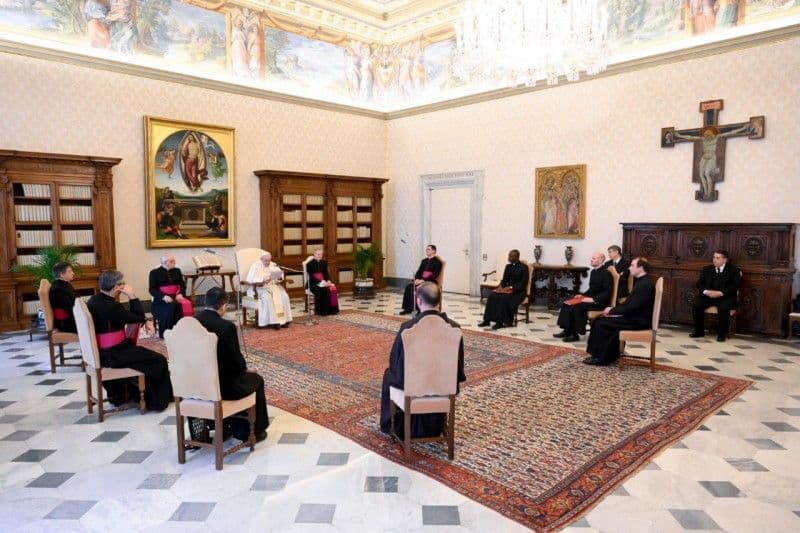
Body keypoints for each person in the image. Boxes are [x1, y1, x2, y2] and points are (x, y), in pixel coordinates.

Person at [379, 282, 466, 438]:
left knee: (388, 375)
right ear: (439, 301)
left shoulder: (408, 328)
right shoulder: (454, 328)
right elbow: (458, 367)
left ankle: (394, 426)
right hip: (444, 386)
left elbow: (395, 361)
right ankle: (436, 424)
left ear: (418, 301)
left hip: (413, 385)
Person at [87, 270, 172, 410]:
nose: (125, 286)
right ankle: (157, 401)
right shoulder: (111, 306)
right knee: (158, 359)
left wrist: (145, 320)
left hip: (103, 351)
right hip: (113, 354)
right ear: (116, 287)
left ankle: (127, 395)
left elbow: (133, 318)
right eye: (123, 284)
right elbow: (137, 317)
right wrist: (132, 296)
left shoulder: (94, 300)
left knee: (144, 353)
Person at [197, 287, 269, 442]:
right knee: (256, 380)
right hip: (222, 387)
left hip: (196, 386)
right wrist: (246, 369)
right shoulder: (226, 327)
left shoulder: (191, 323)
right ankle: (252, 432)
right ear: (224, 306)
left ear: (205, 302)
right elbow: (235, 363)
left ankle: (221, 426)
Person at [583, 257, 656, 366]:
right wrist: (613, 311)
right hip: (635, 317)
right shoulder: (642, 282)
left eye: (632, 265)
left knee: (600, 321)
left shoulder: (644, 285)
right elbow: (630, 305)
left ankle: (599, 358)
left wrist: (612, 311)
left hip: (638, 321)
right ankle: (608, 355)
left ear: (641, 268)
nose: (629, 268)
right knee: (602, 320)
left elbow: (632, 307)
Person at [674, 123, 752, 200]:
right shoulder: (703, 139)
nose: (707, 135)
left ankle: (709, 193)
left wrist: (743, 128)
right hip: (704, 157)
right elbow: (690, 137)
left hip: (711, 157)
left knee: (707, 174)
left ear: (712, 133)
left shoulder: (716, 137)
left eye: (709, 134)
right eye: (705, 134)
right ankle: (705, 193)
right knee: (701, 175)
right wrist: (679, 136)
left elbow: (730, 133)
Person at [553, 252, 612, 342]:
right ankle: (567, 330)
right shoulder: (593, 272)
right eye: (591, 258)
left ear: (601, 260)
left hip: (600, 302)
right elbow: (592, 289)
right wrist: (583, 295)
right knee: (567, 303)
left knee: (577, 307)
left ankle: (575, 334)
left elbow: (607, 292)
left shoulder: (606, 273)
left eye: (594, 258)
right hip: (590, 299)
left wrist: (593, 299)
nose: (591, 260)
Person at [690, 250, 741, 342]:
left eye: (717, 258)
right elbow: (699, 283)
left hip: (725, 297)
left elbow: (734, 286)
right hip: (708, 296)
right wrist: (706, 292)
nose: (714, 260)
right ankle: (699, 331)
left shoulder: (734, 270)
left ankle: (721, 334)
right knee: (697, 303)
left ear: (725, 260)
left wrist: (720, 293)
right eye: (714, 257)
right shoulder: (707, 269)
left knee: (723, 307)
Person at [477, 249, 528, 330]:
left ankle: (500, 322)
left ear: (517, 257)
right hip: (507, 290)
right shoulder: (508, 267)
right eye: (509, 255)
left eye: (511, 256)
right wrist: (500, 287)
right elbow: (504, 280)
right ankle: (487, 320)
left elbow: (523, 283)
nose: (509, 257)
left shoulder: (524, 267)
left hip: (518, 292)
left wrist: (511, 288)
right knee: (492, 296)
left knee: (503, 298)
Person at [148, 255, 192, 338]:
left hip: (176, 296)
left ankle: (181, 331)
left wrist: (180, 294)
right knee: (170, 306)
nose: (175, 262)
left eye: (174, 260)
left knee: (185, 304)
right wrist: (163, 296)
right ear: (165, 263)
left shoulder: (177, 271)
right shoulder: (154, 273)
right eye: (172, 261)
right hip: (161, 300)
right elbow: (152, 289)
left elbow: (182, 285)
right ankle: (167, 333)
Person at [246, 251, 292, 328]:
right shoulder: (255, 266)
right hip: (260, 288)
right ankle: (274, 322)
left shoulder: (273, 264)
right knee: (268, 298)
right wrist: (262, 280)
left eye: (269, 260)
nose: (268, 262)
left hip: (273, 286)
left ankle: (284, 320)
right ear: (261, 259)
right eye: (266, 260)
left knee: (284, 296)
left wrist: (279, 277)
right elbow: (250, 279)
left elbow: (279, 276)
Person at [400, 244, 442, 315]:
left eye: (428, 249)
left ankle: (420, 310)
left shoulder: (438, 262)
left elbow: (435, 275)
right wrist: (416, 279)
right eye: (426, 249)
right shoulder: (424, 261)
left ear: (433, 251)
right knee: (409, 287)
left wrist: (423, 281)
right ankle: (408, 308)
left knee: (419, 289)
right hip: (420, 280)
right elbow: (419, 271)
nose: (426, 251)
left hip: (430, 281)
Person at [306, 249, 339, 315]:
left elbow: (326, 273)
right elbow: (312, 276)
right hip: (313, 283)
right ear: (314, 254)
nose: (319, 256)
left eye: (321, 254)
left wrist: (328, 281)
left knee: (333, 289)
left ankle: (332, 310)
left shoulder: (324, 262)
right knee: (324, 290)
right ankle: (322, 311)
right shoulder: (309, 264)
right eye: (318, 254)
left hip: (324, 281)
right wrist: (321, 282)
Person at [49, 261, 78, 333]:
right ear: (62, 274)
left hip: (72, 319)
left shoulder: (65, 284)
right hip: (66, 324)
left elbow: (76, 299)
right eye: (70, 271)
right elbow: (69, 308)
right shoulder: (57, 289)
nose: (73, 273)